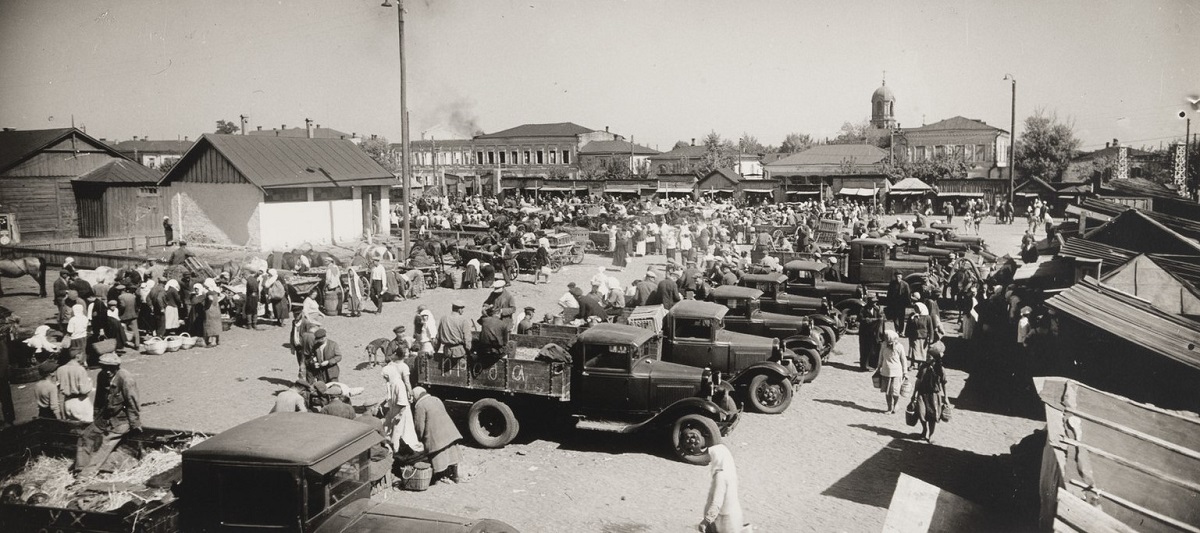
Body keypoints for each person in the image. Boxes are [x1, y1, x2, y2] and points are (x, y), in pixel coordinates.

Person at [75, 352, 140, 478]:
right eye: (105, 368)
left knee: (105, 444)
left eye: (111, 368)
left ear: (117, 367)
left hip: (121, 421)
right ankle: (80, 468)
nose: (108, 371)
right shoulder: (102, 376)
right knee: (85, 436)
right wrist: (95, 418)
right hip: (104, 418)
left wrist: (134, 423)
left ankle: (87, 475)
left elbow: (132, 402)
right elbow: (99, 399)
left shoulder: (126, 379)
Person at [411, 386, 463, 484]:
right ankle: (455, 475)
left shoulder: (420, 405)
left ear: (416, 396)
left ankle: (440, 476)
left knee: (439, 457)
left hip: (436, 436)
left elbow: (419, 425)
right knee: (453, 454)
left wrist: (419, 438)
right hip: (449, 431)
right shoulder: (436, 399)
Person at [381, 351, 422, 455]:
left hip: (400, 410)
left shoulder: (397, 383)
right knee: (398, 428)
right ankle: (397, 446)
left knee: (399, 428)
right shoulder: (395, 382)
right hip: (398, 409)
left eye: (385, 377)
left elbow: (402, 403)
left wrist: (399, 414)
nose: (385, 379)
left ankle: (397, 447)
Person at [698, 443, 745, 533]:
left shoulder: (721, 476)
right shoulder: (730, 471)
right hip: (734, 515)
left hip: (723, 520)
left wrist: (706, 521)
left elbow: (717, 501)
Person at [914, 342, 948, 442]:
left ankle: (931, 434)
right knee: (921, 413)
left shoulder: (940, 369)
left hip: (934, 395)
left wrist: (945, 397)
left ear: (934, 357)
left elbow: (944, 383)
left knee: (932, 416)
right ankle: (924, 429)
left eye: (929, 356)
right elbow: (918, 381)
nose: (927, 357)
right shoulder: (923, 367)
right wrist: (914, 394)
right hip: (922, 393)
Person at [878, 329, 908, 414]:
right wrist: (879, 366)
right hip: (886, 371)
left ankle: (896, 404)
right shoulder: (884, 345)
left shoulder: (899, 347)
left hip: (896, 372)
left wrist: (905, 371)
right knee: (887, 392)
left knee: (895, 391)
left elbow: (903, 359)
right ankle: (889, 408)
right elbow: (881, 356)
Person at [858, 295, 884, 371]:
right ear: (869, 302)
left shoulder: (877, 309)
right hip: (865, 333)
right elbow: (861, 319)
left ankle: (873, 365)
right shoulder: (863, 309)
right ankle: (864, 366)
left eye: (875, 302)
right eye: (873, 302)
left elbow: (882, 318)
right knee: (865, 349)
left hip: (874, 333)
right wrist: (874, 320)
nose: (875, 303)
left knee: (874, 349)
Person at [906, 302, 933, 369]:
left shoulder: (927, 317)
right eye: (915, 308)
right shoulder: (912, 316)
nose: (915, 309)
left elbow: (931, 328)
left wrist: (931, 338)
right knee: (913, 350)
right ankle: (912, 364)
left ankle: (920, 364)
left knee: (921, 351)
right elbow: (908, 325)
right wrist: (907, 333)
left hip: (923, 337)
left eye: (917, 308)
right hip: (914, 336)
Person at [202, 279, 223, 347]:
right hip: (216, 309)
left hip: (210, 310)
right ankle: (217, 340)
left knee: (211, 325)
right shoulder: (216, 291)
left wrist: (207, 305)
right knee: (216, 324)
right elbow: (222, 296)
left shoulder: (209, 292)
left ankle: (213, 342)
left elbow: (210, 299)